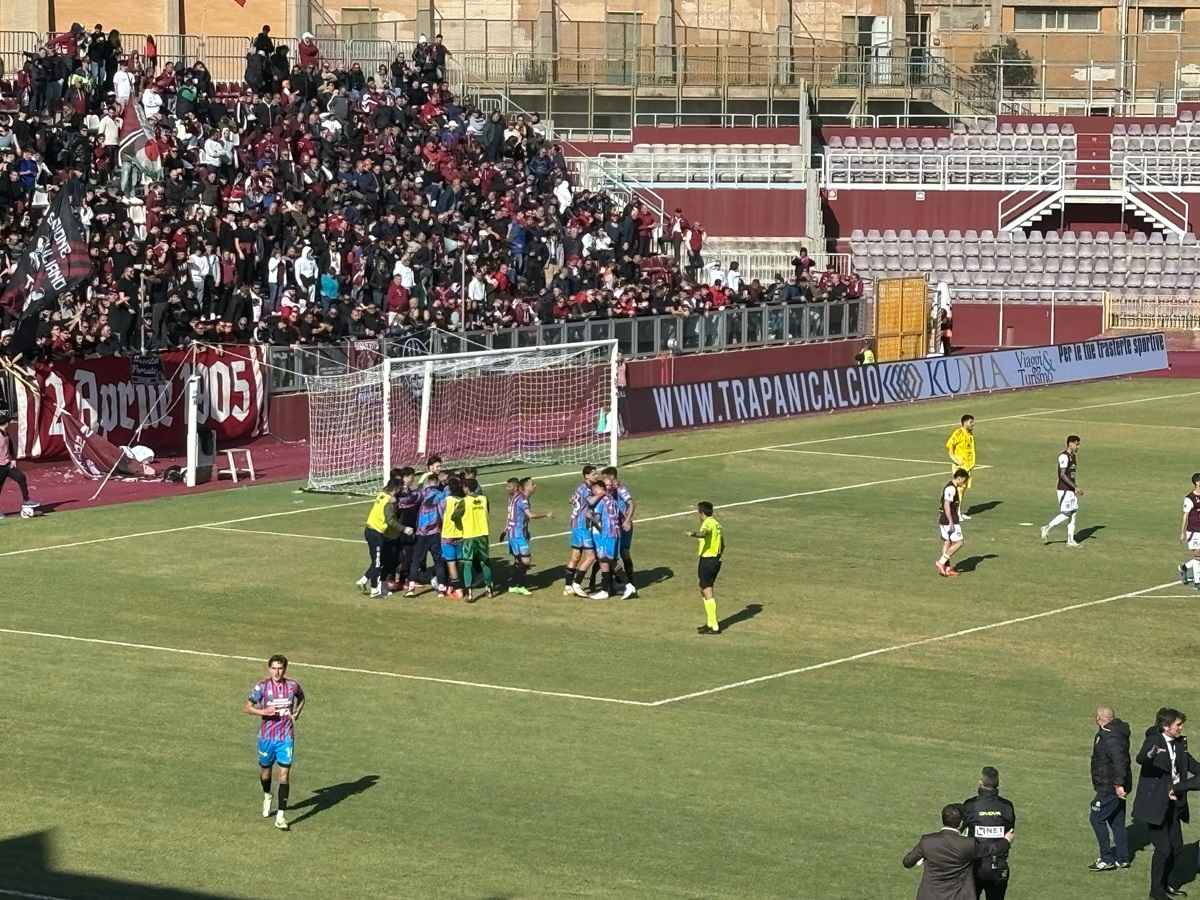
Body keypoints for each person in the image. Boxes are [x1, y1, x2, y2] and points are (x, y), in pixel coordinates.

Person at [1133, 707, 1190, 900]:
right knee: (1164, 849)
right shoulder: (1154, 741)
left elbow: (1189, 763)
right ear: (1166, 726)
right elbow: (1142, 758)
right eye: (1178, 725)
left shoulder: (1179, 744)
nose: (1181, 728)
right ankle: (1155, 892)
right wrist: (1151, 754)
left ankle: (1165, 885)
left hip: (1174, 805)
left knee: (1177, 848)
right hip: (1155, 805)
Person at [243, 654, 305, 831]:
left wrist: (297, 713)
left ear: (285, 669)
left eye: (281, 668)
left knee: (284, 775)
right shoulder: (262, 687)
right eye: (274, 668)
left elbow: (301, 698)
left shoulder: (293, 686)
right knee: (265, 773)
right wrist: (263, 711)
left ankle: (280, 816)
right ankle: (267, 795)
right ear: (269, 668)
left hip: (286, 738)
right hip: (266, 738)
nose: (277, 671)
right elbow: (246, 707)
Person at [904, 804, 1013, 900]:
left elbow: (907, 862)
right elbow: (990, 849)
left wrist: (924, 856)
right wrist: (1006, 840)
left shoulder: (927, 842)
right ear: (961, 824)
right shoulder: (968, 844)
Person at [960, 767, 1016, 899]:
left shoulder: (970, 805)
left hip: (975, 867)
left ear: (980, 782)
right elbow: (1010, 831)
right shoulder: (1007, 806)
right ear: (998, 783)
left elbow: (961, 830)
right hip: (999, 867)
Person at [1088, 705, 1132, 872]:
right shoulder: (1116, 732)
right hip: (1113, 785)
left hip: (1110, 787)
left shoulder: (1110, 736)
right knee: (1117, 821)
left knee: (1096, 818)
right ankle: (1122, 857)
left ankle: (1107, 858)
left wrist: (1118, 785)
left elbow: (1120, 761)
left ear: (1099, 719)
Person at [453, 473, 495, 602]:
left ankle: (470, 592)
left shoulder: (464, 501)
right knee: (485, 562)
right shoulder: (484, 499)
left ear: (466, 488)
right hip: (483, 534)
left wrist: (461, 525)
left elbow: (454, 517)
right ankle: (489, 589)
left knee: (467, 563)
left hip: (469, 536)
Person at [505, 477, 550, 596]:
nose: (535, 486)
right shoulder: (522, 500)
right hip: (517, 534)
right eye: (532, 484)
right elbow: (530, 515)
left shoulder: (515, 497)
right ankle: (520, 585)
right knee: (526, 560)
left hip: (514, 533)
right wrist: (546, 515)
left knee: (518, 560)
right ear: (524, 487)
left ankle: (513, 585)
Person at [359, 475, 402, 598]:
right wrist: (404, 529)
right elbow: (390, 521)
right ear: (397, 488)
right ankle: (374, 591)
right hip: (375, 533)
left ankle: (363, 580)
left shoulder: (381, 494)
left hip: (370, 530)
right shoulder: (389, 500)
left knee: (377, 561)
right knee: (377, 562)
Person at [406, 470, 448, 596]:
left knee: (416, 560)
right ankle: (441, 588)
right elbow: (442, 513)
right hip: (435, 532)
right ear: (436, 482)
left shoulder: (421, 493)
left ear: (428, 483)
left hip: (421, 533)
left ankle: (411, 588)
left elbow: (411, 500)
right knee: (438, 561)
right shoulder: (441, 495)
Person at [687, 501, 724, 635]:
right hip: (714, 559)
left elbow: (704, 533)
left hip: (708, 560)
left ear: (701, 513)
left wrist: (693, 534)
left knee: (707, 590)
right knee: (704, 588)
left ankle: (714, 625)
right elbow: (722, 543)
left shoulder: (708, 523)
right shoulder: (717, 524)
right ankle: (710, 622)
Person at [601, 466, 638, 599]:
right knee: (612, 555)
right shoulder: (607, 489)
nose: (604, 480)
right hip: (613, 527)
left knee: (624, 553)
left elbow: (632, 504)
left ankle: (630, 583)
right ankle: (612, 584)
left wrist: (627, 520)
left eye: (605, 477)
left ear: (612, 477)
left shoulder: (621, 489)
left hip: (623, 527)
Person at [1041, 435, 1082, 547]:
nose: (1078, 446)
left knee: (1073, 513)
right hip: (1064, 489)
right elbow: (1062, 475)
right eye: (1077, 444)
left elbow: (1071, 474)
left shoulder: (1073, 456)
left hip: (1071, 490)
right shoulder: (1064, 457)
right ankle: (1047, 527)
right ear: (1070, 444)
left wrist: (1074, 488)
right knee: (1066, 513)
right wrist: (1075, 487)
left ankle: (1070, 540)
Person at [585, 478, 621, 600]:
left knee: (605, 560)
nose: (593, 492)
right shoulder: (612, 499)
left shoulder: (601, 501)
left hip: (606, 533)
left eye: (594, 489)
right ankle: (610, 588)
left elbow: (598, 521)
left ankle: (625, 585)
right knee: (607, 560)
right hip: (614, 533)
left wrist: (590, 517)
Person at [564, 465, 597, 597]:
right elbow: (590, 501)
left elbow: (572, 500)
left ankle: (567, 586)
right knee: (591, 556)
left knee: (576, 556)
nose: (597, 475)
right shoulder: (587, 490)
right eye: (594, 474)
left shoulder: (580, 487)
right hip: (582, 526)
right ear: (586, 476)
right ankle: (577, 584)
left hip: (575, 524)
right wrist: (601, 494)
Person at [0, 411, 35, 518]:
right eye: (8, 422)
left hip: (7, 464)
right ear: (4, 423)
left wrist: (13, 459)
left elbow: (10, 447)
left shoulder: (6, 434)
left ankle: (26, 500)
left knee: (21, 477)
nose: (9, 424)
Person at [937, 469, 970, 577]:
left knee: (947, 542)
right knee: (959, 542)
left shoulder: (951, 487)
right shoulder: (951, 488)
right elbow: (946, 504)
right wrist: (951, 521)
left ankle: (946, 569)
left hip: (944, 519)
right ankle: (941, 562)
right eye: (964, 481)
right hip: (949, 520)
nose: (964, 483)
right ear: (959, 478)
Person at [439, 475, 466, 599]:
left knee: (451, 563)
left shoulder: (445, 501)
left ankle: (458, 589)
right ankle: (461, 584)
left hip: (448, 535)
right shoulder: (464, 501)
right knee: (461, 562)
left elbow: (441, 516)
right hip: (461, 534)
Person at [945, 415, 976, 519]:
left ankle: (958, 511)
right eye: (971, 422)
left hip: (968, 466)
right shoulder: (958, 433)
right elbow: (950, 446)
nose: (973, 424)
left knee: (963, 490)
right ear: (965, 422)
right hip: (960, 466)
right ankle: (955, 513)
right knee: (958, 489)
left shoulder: (969, 434)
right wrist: (955, 459)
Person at [1178, 473, 1200, 590]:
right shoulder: (1189, 498)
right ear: (1197, 482)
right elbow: (1185, 516)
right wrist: (1182, 532)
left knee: (1199, 556)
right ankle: (1197, 582)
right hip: (1193, 531)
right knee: (1197, 554)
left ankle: (1184, 568)